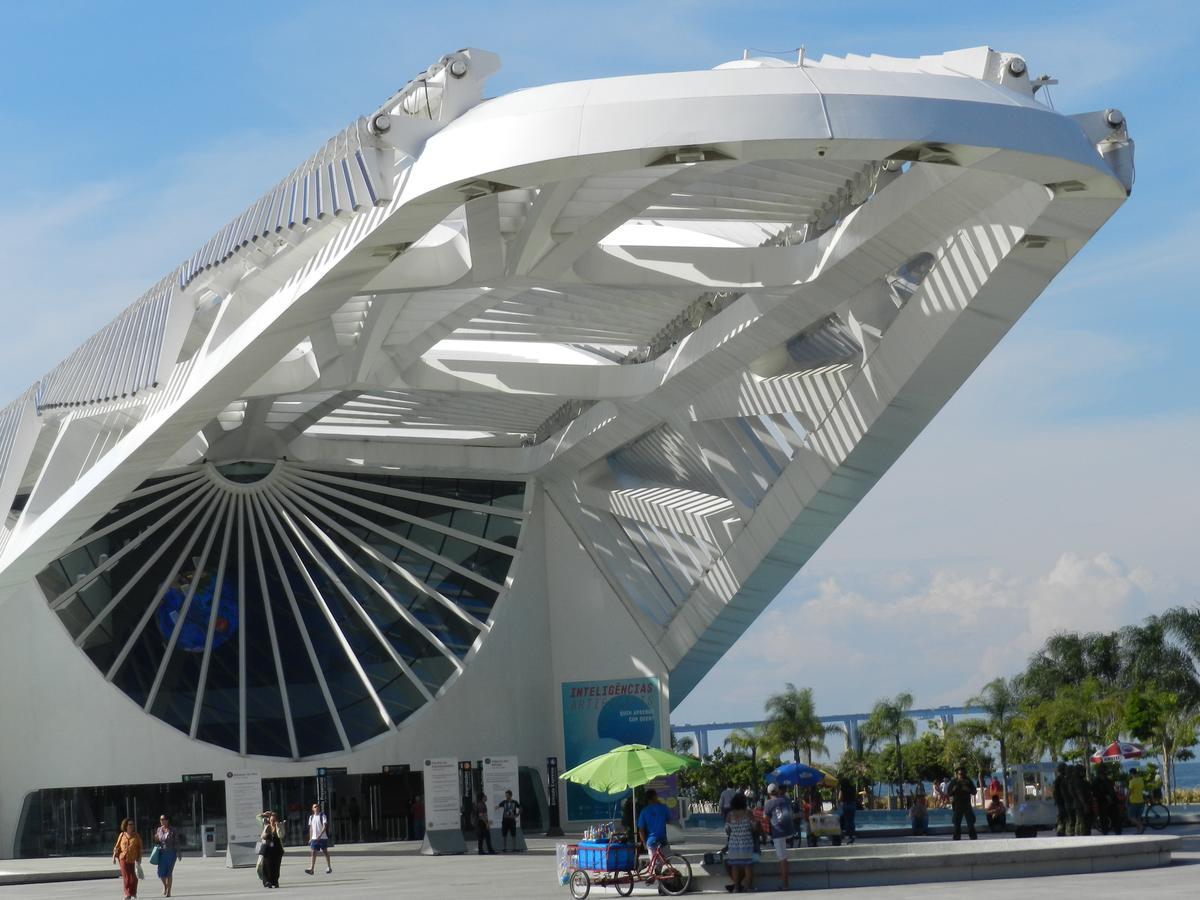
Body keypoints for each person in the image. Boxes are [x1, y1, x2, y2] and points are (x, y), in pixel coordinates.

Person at [723, 791, 754, 893]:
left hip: (733, 845)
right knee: (748, 866)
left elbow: (727, 830)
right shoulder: (748, 813)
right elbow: (753, 827)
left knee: (734, 866)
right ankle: (748, 887)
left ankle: (736, 887)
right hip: (746, 843)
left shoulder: (729, 815)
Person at [763, 783, 793, 890]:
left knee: (783, 859)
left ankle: (785, 884)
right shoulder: (784, 799)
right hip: (789, 831)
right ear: (778, 791)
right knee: (783, 856)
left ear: (768, 793)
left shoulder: (768, 803)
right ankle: (785, 882)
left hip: (778, 832)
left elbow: (765, 817)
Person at [112, 817, 143, 899]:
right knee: (126, 877)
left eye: (133, 824)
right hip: (123, 858)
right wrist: (114, 857)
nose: (132, 826)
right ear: (126, 825)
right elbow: (117, 847)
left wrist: (139, 858)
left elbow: (140, 848)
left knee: (134, 877)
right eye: (130, 824)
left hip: (133, 859)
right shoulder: (122, 835)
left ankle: (133, 892)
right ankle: (127, 894)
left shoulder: (136, 835)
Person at [947, 766, 978, 840]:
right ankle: (956, 836)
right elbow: (949, 793)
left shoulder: (968, 781)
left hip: (966, 804)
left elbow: (974, 791)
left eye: (962, 773)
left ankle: (973, 836)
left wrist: (968, 789)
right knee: (957, 822)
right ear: (957, 774)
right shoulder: (954, 782)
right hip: (957, 804)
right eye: (959, 773)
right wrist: (954, 790)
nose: (961, 775)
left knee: (970, 821)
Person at [153, 814, 180, 898]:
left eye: (163, 819)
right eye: (161, 819)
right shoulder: (159, 830)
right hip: (162, 853)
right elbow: (157, 841)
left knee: (169, 873)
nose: (162, 821)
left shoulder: (173, 830)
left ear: (167, 820)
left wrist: (179, 852)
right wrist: (156, 839)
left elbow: (176, 842)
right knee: (160, 873)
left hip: (171, 853)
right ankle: (165, 885)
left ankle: (169, 891)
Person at [258, 810, 285, 888]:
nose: (273, 822)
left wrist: (278, 827)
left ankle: (275, 882)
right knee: (266, 866)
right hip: (267, 849)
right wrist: (264, 814)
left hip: (277, 850)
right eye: (271, 820)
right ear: (269, 820)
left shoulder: (280, 825)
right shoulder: (266, 825)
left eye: (274, 820)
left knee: (276, 866)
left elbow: (281, 836)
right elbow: (258, 818)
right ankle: (267, 882)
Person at [303, 802, 332, 875]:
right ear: (312, 809)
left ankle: (329, 867)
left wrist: (320, 835)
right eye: (315, 807)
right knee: (313, 852)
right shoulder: (311, 817)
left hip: (322, 837)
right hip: (314, 838)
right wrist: (310, 838)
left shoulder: (322, 816)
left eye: (317, 806)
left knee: (325, 852)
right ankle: (311, 869)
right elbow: (311, 828)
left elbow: (325, 826)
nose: (317, 808)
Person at [839, 776, 857, 844]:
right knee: (851, 820)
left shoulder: (842, 788)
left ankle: (848, 834)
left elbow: (840, 798)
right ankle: (853, 833)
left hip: (846, 804)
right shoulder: (852, 788)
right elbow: (855, 796)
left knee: (847, 820)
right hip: (852, 804)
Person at [1053, 762, 1070, 836]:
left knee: (1063, 815)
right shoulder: (1060, 779)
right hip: (1062, 801)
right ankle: (1060, 830)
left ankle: (1061, 829)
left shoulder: (1059, 779)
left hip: (1061, 800)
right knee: (1062, 815)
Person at [1127, 767, 1146, 834]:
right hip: (1141, 801)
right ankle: (1138, 832)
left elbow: (1129, 792)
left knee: (1130, 817)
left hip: (1133, 801)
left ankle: (1141, 826)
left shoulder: (1132, 781)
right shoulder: (1141, 780)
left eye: (1129, 774)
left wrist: (1126, 800)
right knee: (1138, 818)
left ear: (1131, 773)